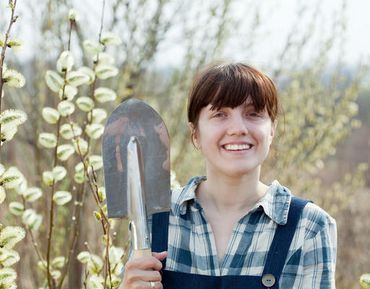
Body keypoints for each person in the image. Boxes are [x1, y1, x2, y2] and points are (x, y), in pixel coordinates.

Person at [119, 63, 337, 289]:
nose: (238, 128)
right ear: (195, 133)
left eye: (253, 114)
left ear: (272, 129)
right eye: (220, 114)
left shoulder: (308, 227)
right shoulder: (155, 219)